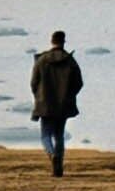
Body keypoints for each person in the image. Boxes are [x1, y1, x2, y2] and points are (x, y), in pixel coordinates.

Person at [27, 31, 83, 173]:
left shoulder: (42, 60)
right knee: (59, 135)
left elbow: (34, 83)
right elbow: (79, 83)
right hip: (63, 104)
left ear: (52, 41)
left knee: (46, 135)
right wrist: (69, 95)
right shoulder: (70, 61)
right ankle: (58, 162)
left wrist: (39, 97)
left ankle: (52, 155)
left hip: (45, 104)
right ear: (64, 41)